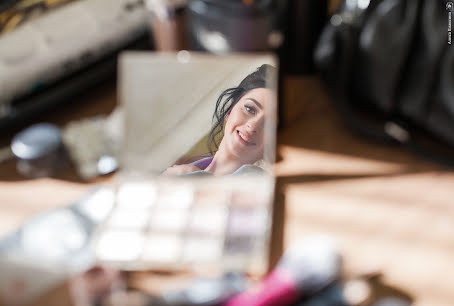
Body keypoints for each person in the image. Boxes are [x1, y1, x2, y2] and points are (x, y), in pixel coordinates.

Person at [162, 64, 276, 176]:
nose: (253, 126)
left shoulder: (261, 184)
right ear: (229, 109)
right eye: (250, 109)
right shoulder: (179, 170)